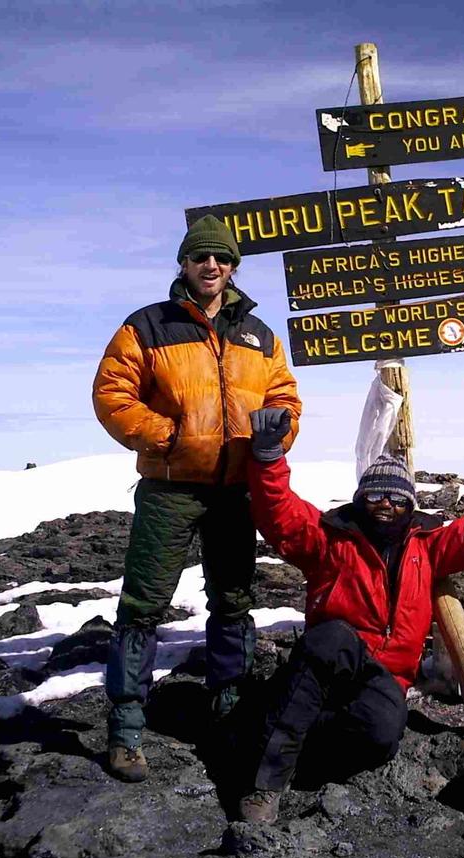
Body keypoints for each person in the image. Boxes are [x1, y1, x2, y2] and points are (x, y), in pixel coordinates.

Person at [237, 409, 464, 824]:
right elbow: (280, 514)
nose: (386, 505)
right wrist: (268, 456)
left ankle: (282, 731)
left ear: (409, 506)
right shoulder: (328, 537)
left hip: (386, 676)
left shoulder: (427, 546)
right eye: (376, 495)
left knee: (381, 737)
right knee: (333, 636)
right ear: (360, 499)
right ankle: (266, 783)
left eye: (397, 498)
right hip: (332, 661)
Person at [93, 215, 301, 782]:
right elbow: (113, 394)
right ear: (184, 264)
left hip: (236, 490)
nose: (212, 266)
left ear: (232, 266)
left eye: (222, 258)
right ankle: (126, 726)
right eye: (201, 257)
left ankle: (228, 703)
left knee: (233, 598)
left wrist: (273, 438)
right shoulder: (148, 326)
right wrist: (170, 438)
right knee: (143, 604)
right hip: (169, 488)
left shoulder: (258, 335)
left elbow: (285, 397)